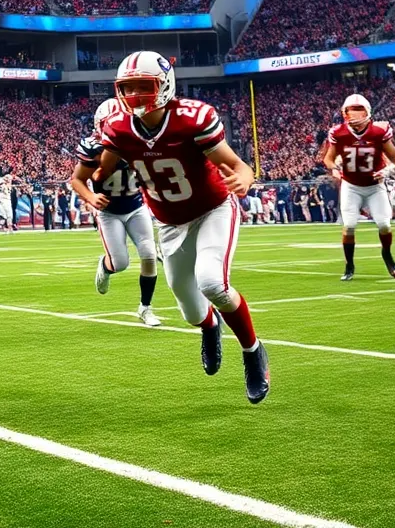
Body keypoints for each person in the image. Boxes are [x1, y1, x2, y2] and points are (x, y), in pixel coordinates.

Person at [97, 52, 268, 404]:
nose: (134, 96)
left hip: (213, 210)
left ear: (164, 85)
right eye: (127, 88)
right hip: (169, 222)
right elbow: (100, 171)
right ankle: (209, 327)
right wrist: (93, 177)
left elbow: (237, 164)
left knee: (212, 283)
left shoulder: (192, 119)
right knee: (192, 311)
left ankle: (252, 352)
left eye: (143, 87)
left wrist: (244, 178)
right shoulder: (117, 128)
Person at [70, 97, 160, 326]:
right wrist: (90, 197)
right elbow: (77, 180)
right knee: (120, 263)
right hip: (109, 212)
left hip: (135, 206)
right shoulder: (93, 147)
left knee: (149, 254)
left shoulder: (139, 140)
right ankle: (105, 266)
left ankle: (145, 308)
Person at [321, 94, 395, 281]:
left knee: (384, 224)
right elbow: (328, 159)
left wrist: (386, 171)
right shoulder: (338, 132)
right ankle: (349, 265)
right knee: (349, 226)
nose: (354, 116)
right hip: (351, 185)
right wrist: (334, 167)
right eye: (351, 111)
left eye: (358, 111)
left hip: (375, 186)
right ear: (344, 113)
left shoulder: (379, 132)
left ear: (367, 112)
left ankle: (387, 255)